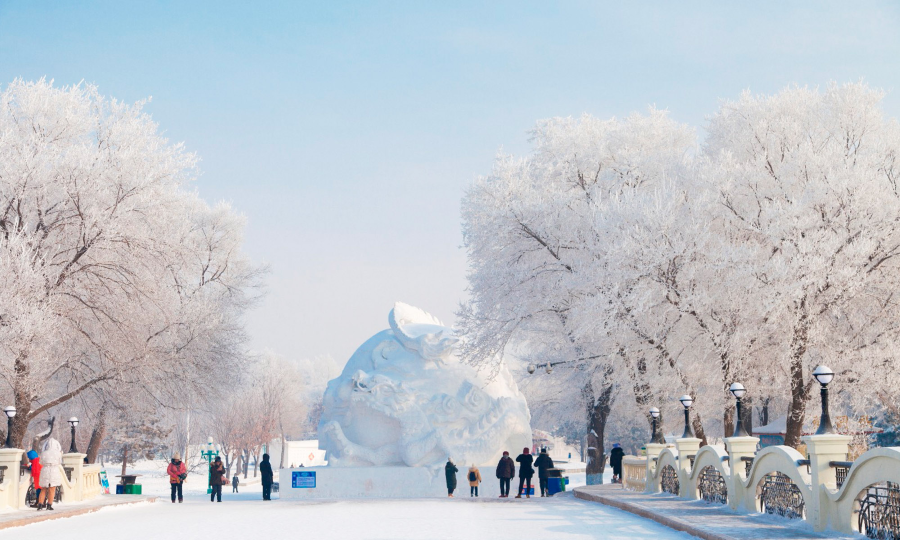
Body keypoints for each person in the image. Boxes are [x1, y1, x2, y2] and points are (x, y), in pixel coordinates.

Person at [37, 436, 63, 510]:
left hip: (45, 470)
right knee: (52, 488)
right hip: (54, 470)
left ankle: (40, 504)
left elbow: (40, 462)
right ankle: (49, 504)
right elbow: (59, 462)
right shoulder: (58, 453)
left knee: (43, 488)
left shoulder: (43, 453)